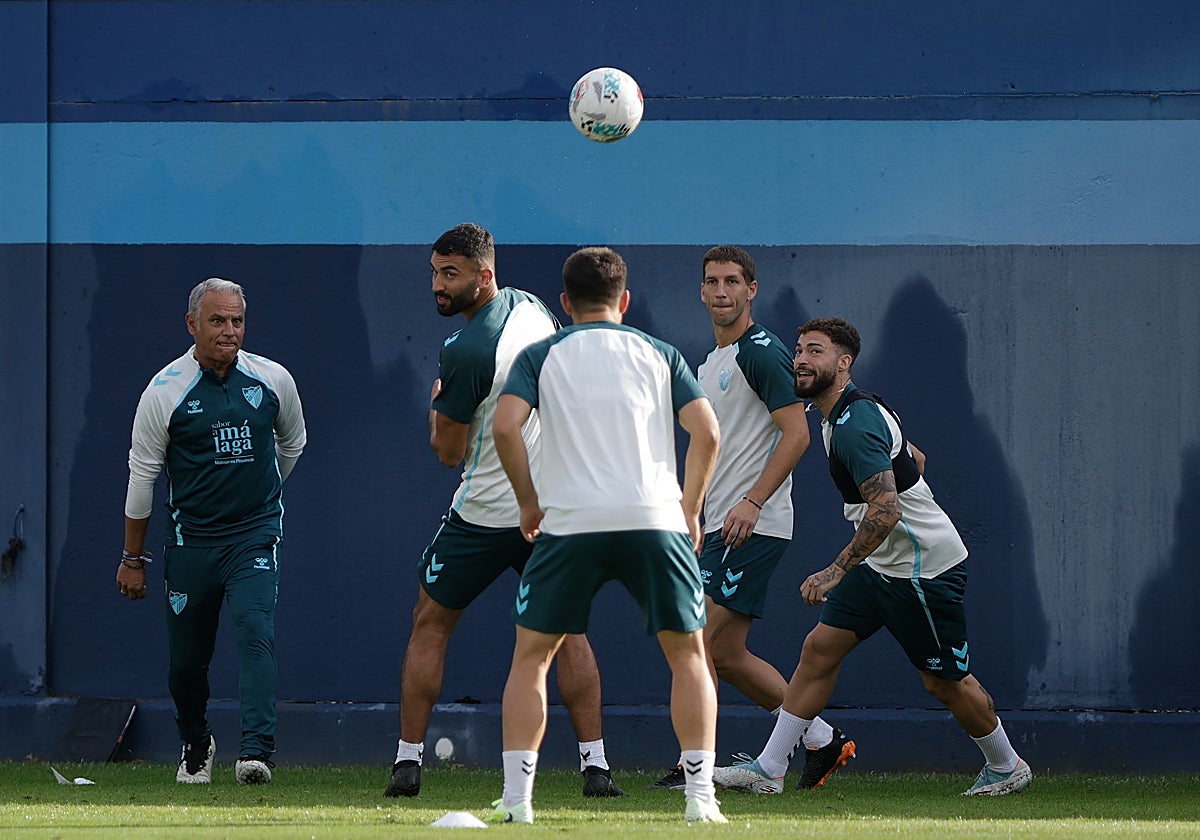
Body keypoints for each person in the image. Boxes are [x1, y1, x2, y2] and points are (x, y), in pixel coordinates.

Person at [714, 316, 1031, 796]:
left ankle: (1007, 766)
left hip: (922, 570)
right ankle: (770, 769)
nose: (801, 359)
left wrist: (836, 569)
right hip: (884, 564)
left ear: (843, 364)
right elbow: (915, 459)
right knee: (818, 650)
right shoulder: (842, 414)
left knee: (944, 683)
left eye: (816, 352)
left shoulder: (853, 424)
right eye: (799, 350)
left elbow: (886, 509)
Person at [487, 246, 726, 825]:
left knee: (532, 659)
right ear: (624, 300)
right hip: (655, 520)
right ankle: (701, 801)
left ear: (565, 304)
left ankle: (518, 804)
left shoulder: (540, 354)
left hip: (569, 526)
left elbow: (504, 426)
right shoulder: (659, 351)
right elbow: (708, 433)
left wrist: (527, 501)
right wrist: (690, 508)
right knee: (689, 655)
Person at [385, 224, 625, 799]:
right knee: (569, 632)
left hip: (487, 513)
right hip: (550, 510)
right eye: (435, 273)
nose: (439, 286)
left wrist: (435, 411)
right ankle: (596, 767)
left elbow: (447, 454)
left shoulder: (465, 351)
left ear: (483, 275)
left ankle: (407, 761)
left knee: (431, 621)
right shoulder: (533, 306)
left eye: (452, 275)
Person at [653, 246, 855, 795]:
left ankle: (694, 768)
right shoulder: (709, 362)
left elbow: (797, 434)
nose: (721, 292)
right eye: (712, 282)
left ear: (751, 290)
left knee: (692, 642)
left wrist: (754, 501)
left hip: (752, 527)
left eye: (732, 283)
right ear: (701, 291)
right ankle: (820, 739)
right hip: (718, 526)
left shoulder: (761, 352)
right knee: (726, 655)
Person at [116, 277, 307, 786]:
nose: (229, 331)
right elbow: (143, 477)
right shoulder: (164, 392)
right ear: (192, 324)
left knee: (254, 631)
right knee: (186, 664)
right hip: (191, 543)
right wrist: (133, 558)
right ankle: (197, 743)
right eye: (218, 321)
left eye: (237, 321)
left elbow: (292, 444)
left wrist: (262, 496)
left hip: (254, 535)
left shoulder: (272, 380)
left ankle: (255, 752)